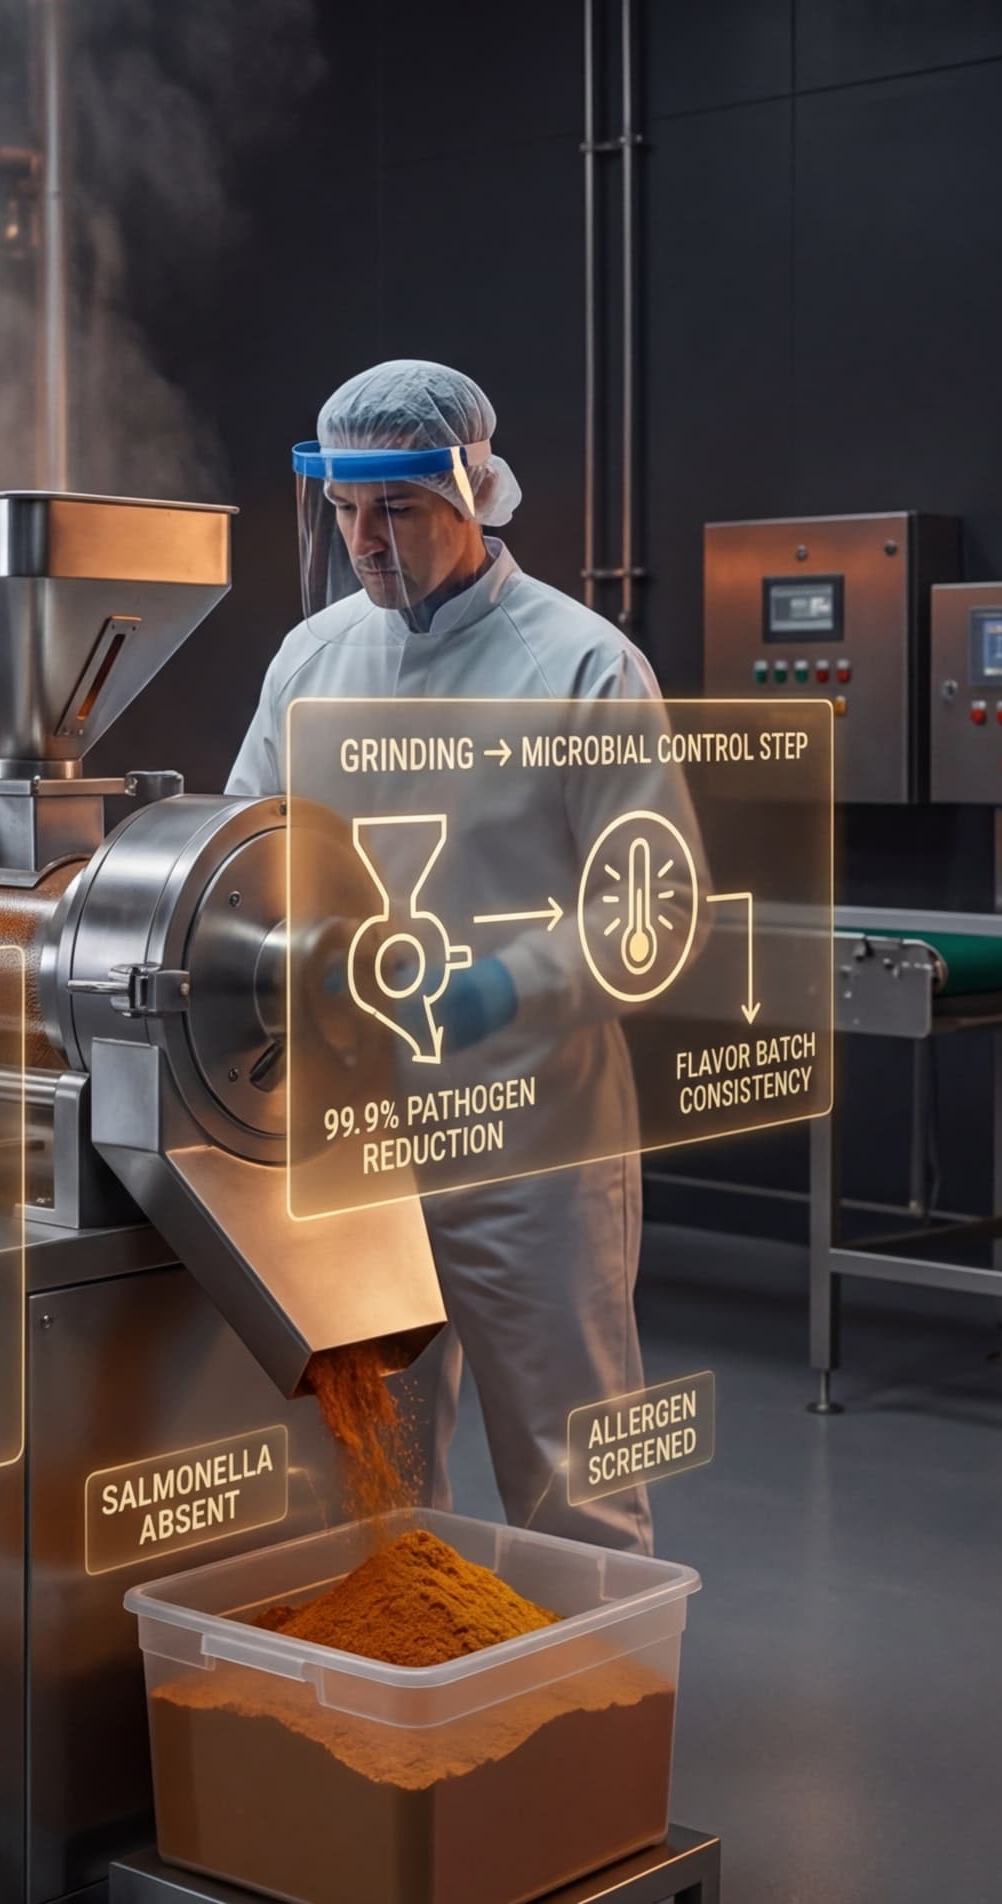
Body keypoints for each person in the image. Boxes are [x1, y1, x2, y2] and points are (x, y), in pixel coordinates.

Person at [228, 358, 661, 1554]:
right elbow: (244, 851)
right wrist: (276, 955)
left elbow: (650, 914)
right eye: (345, 509)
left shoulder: (579, 666)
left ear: (473, 491)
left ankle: (595, 1723)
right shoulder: (310, 660)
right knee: (377, 1477)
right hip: (355, 1142)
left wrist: (496, 989)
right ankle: (418, 1728)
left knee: (568, 1478)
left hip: (530, 1148)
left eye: (398, 509)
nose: (366, 540)